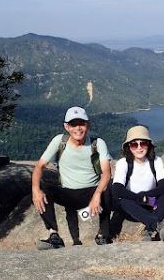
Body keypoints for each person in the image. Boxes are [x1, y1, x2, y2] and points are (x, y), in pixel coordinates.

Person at [31, 106, 112, 249]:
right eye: (73, 124)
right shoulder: (59, 141)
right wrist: (35, 189)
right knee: (42, 187)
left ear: (88, 125)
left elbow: (106, 173)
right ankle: (54, 235)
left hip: (90, 192)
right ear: (66, 127)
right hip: (67, 193)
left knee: (108, 186)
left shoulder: (98, 143)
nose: (78, 128)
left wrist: (97, 194)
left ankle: (103, 234)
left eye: (82, 123)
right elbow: (39, 166)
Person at [111, 126, 164, 241]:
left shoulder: (156, 161)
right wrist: (138, 197)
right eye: (134, 144)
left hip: (150, 202)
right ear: (129, 147)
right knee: (125, 201)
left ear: (149, 145)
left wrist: (145, 197)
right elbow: (117, 190)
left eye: (143, 144)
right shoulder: (123, 163)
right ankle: (156, 224)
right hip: (133, 205)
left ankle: (148, 229)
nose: (139, 148)